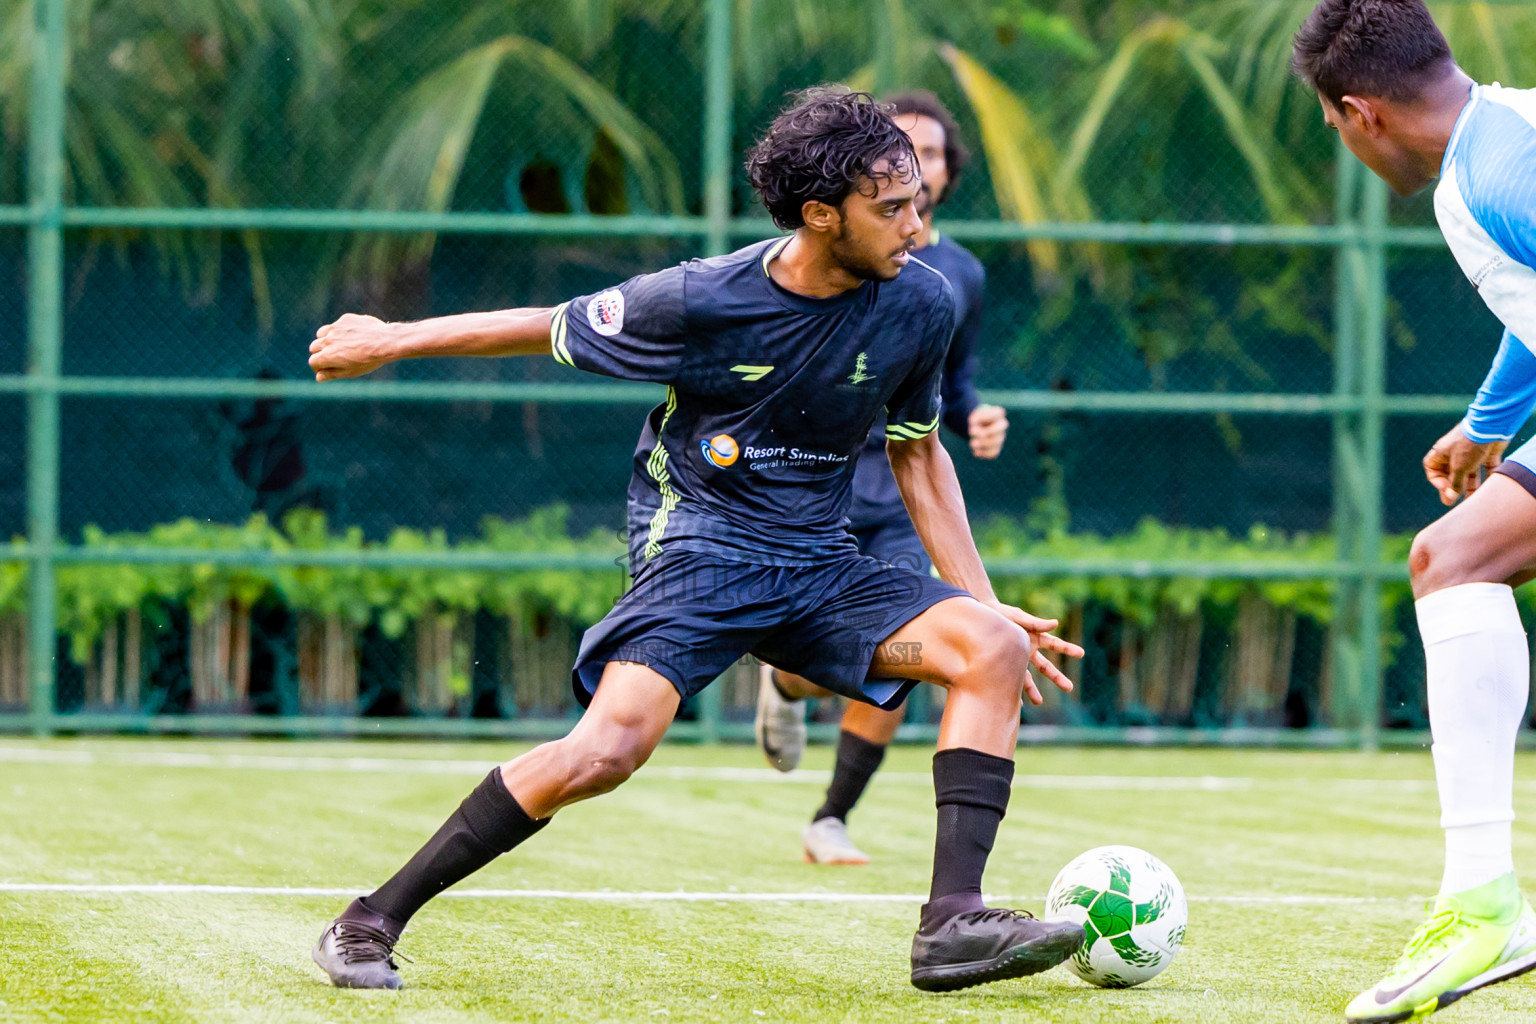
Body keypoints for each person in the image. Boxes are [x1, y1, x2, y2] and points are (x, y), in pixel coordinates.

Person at [304, 88, 1085, 994]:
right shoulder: (698, 298)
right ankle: (370, 919)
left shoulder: (922, 303)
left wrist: (981, 601)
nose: (916, 225)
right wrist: (387, 338)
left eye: (916, 200)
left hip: (820, 565)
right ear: (821, 216)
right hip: (702, 551)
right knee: (607, 752)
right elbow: (541, 327)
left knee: (988, 646)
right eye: (893, 208)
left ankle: (952, 924)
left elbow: (919, 458)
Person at [1292, 3, 1536, 1020]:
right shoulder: (1496, 139)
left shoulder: (1496, 173)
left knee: (1453, 558)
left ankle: (1483, 901)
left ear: (1359, 114)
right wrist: (1490, 424)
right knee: (1453, 557)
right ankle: (1483, 899)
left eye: (1332, 130)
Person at [752, 90, 1011, 868]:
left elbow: (945, 393)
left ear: (947, 172)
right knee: (814, 658)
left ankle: (831, 816)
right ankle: (789, 687)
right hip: (817, 483)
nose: (920, 170)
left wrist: (977, 420)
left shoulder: (957, 275)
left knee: (908, 645)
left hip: (904, 489)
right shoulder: (817, 259)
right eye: (906, 154)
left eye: (932, 155)